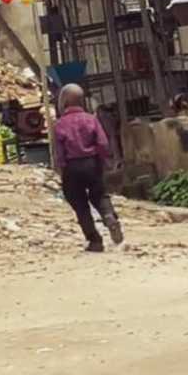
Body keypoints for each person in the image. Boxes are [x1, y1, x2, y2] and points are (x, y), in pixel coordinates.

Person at [53, 84, 124, 252]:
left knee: (79, 204)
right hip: (92, 163)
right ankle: (108, 217)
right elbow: (102, 143)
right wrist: (104, 161)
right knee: (100, 195)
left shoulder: (60, 124)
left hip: (72, 166)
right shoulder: (91, 119)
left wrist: (61, 169)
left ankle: (95, 240)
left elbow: (59, 152)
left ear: (64, 102)